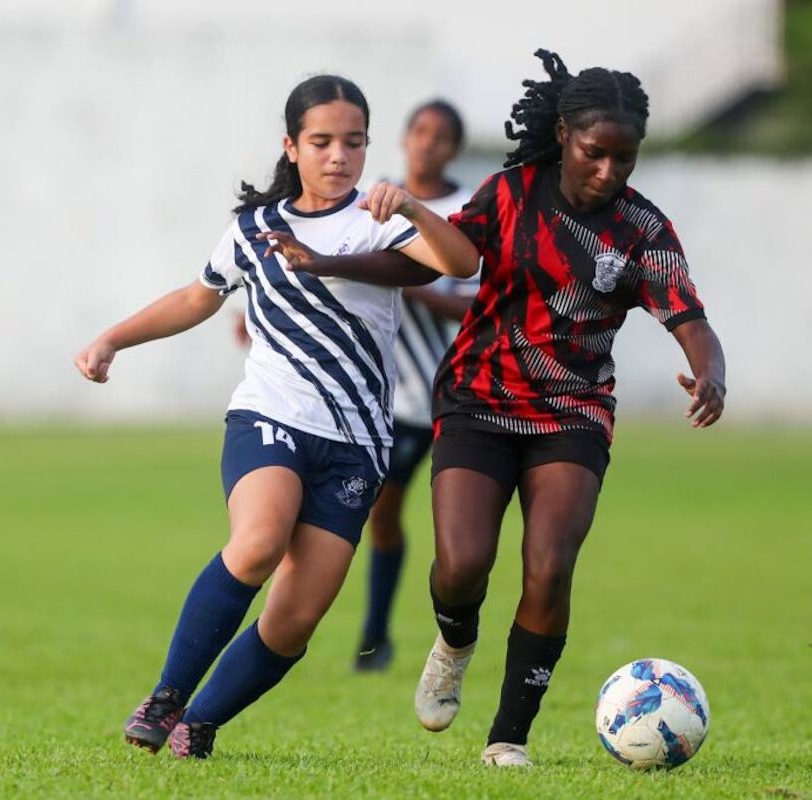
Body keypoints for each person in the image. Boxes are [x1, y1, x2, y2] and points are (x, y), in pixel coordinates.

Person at [269, 49, 727, 767]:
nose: (608, 171)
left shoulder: (644, 230)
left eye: (624, 158)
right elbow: (425, 259)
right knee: (461, 565)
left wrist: (711, 374)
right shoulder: (512, 192)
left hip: (573, 414)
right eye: (594, 153)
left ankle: (508, 733)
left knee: (549, 565)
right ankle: (454, 641)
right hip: (478, 400)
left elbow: (688, 317)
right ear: (565, 135)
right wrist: (325, 263)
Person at [73, 74, 478, 760]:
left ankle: (197, 725)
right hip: (271, 415)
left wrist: (410, 203)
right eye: (321, 141)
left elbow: (461, 260)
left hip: (356, 444)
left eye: (353, 142)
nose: (338, 156)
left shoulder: (381, 219)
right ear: (291, 146)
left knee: (294, 622)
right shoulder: (255, 228)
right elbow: (196, 298)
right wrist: (112, 338)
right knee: (259, 540)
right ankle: (167, 695)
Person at [354, 100, 479, 672]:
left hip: (446, 391)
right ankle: (375, 635)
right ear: (404, 139)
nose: (427, 143)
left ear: (453, 148)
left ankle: (428, 638)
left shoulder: (465, 208)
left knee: (443, 522)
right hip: (384, 392)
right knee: (382, 512)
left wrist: (411, 282)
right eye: (419, 131)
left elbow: (480, 301)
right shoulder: (376, 199)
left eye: (440, 136)